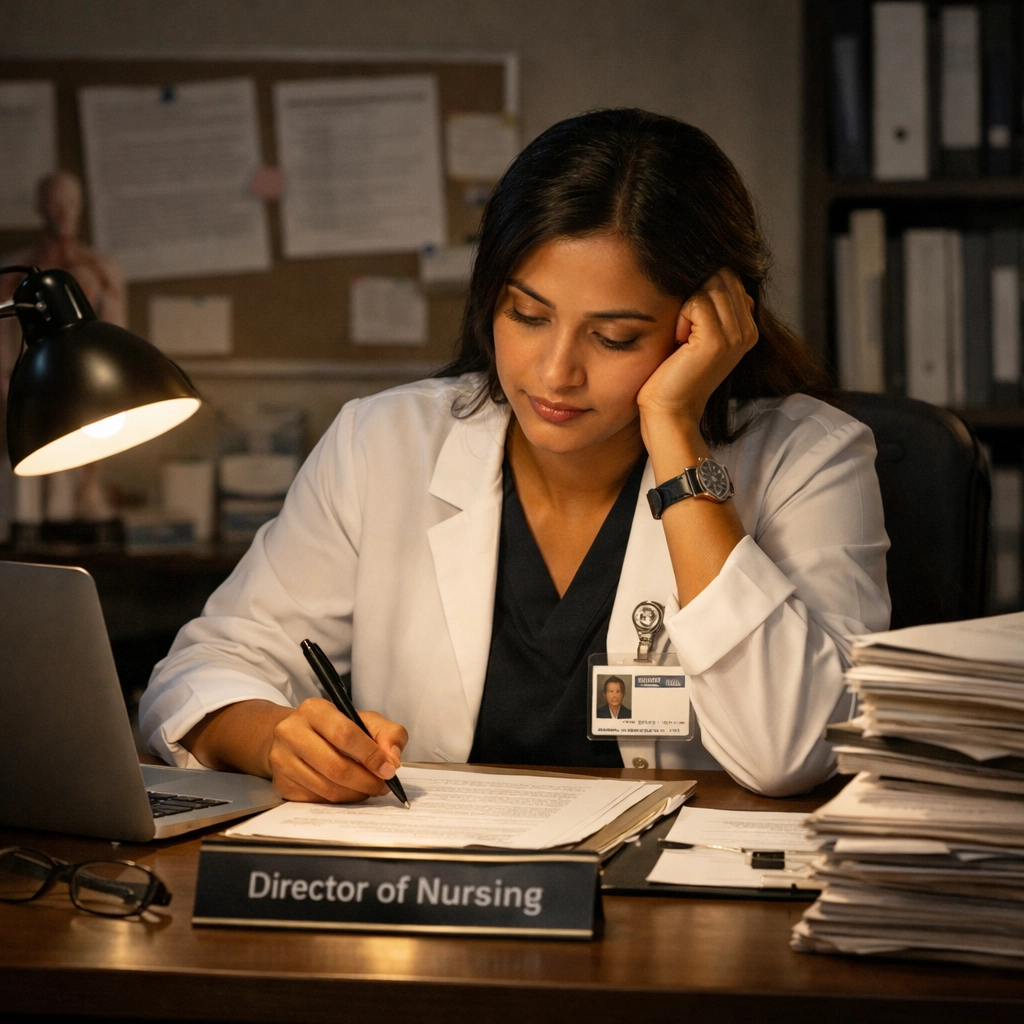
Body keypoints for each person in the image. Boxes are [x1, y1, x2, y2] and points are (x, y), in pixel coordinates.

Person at [140, 109, 890, 800]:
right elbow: (197, 676)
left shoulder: (810, 461)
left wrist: (675, 431)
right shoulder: (385, 444)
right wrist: (275, 740)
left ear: (706, 325)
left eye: (615, 336)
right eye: (527, 315)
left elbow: (792, 749)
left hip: (682, 920)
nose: (554, 372)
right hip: (436, 899)